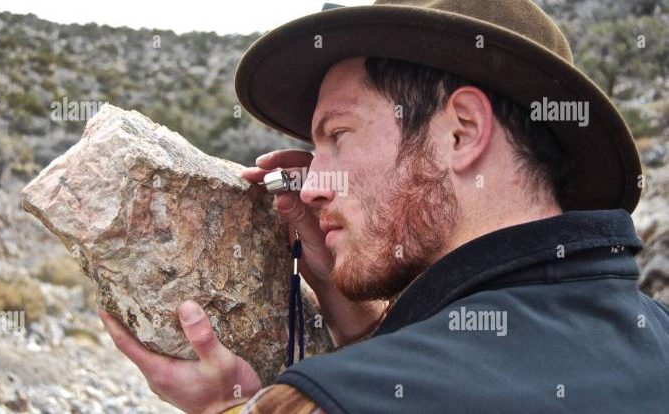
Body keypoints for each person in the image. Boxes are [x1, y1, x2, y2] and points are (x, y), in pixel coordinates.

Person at [99, 0, 669, 413]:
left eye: (338, 135)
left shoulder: (339, 400)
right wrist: (372, 331)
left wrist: (237, 408)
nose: (311, 185)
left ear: (461, 132)